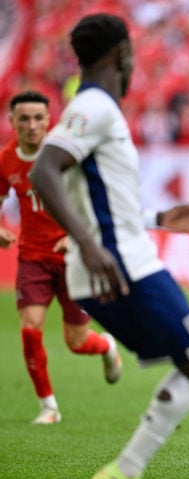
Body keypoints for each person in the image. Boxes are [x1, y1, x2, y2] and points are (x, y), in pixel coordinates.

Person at [29, 14, 189, 479]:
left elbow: (101, 202)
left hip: (120, 259)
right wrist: (87, 243)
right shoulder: (94, 107)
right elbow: (45, 171)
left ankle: (127, 471)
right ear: (121, 54)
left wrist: (161, 217)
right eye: (132, 53)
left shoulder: (97, 109)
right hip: (122, 269)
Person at [0, 90, 121, 425]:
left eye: (38, 118)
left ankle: (106, 347)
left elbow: (91, 200)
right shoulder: (6, 160)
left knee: (76, 342)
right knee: (30, 327)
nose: (32, 125)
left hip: (72, 259)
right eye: (23, 118)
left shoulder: (66, 156)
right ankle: (48, 406)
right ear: (12, 122)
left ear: (48, 120)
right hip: (32, 258)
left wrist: (74, 235)